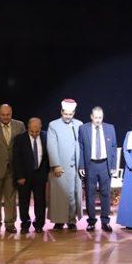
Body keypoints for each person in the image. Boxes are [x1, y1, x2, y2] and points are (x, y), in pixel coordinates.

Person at [0, 104, 26, 234]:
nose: (5, 117)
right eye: (3, 115)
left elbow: (23, 147)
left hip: (13, 169)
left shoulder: (20, 125)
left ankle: (10, 224)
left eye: (8, 114)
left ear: (11, 113)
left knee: (11, 198)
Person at [78, 107, 117, 232]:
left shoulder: (110, 128)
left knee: (105, 194)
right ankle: (91, 222)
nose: (98, 120)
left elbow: (114, 147)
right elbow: (81, 148)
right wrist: (81, 165)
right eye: (96, 117)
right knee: (90, 194)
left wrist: (113, 166)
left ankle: (105, 222)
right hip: (90, 165)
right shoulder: (83, 129)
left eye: (100, 117)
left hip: (105, 165)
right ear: (91, 116)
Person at [47, 99, 84, 230]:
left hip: (75, 167)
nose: (68, 117)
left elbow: (82, 145)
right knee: (60, 195)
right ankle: (59, 221)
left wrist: (82, 165)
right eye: (66, 114)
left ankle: (71, 220)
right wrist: (56, 165)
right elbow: (51, 146)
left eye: (70, 114)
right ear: (61, 112)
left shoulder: (79, 124)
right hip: (60, 166)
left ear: (74, 113)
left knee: (73, 195)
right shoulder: (53, 125)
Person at [13, 117, 49, 234]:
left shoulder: (47, 136)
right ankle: (25, 224)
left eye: (36, 131)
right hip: (24, 176)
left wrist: (47, 173)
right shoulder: (19, 139)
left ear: (40, 127)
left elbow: (48, 156)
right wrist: (19, 176)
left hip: (40, 174)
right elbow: (16, 159)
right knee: (24, 201)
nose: (34, 134)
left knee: (40, 201)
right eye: (31, 131)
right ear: (28, 127)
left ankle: (39, 224)